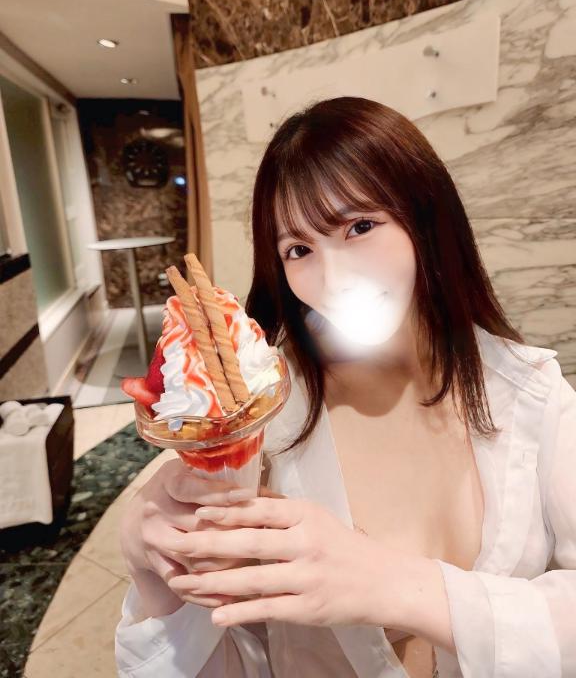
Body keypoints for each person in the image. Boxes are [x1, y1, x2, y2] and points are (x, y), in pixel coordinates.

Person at [115, 97, 575, 678]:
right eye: (299, 250)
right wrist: (156, 579)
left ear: (426, 220)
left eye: (359, 227)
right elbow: (235, 656)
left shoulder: (532, 393)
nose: (333, 279)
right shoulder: (264, 426)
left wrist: (398, 588)